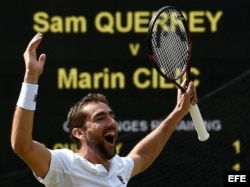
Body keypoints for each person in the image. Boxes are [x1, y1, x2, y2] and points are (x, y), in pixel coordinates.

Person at [11, 33, 198, 187]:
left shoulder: (118, 168)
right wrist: (31, 77)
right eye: (100, 118)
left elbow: (143, 155)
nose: (111, 123)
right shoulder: (65, 165)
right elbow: (22, 145)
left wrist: (179, 112)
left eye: (111, 116)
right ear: (79, 133)